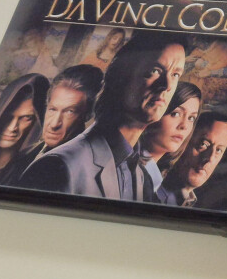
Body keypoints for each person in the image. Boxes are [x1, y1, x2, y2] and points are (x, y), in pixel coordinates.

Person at [19, 33, 188, 201]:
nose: (167, 85)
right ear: (121, 76)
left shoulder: (142, 176)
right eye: (155, 71)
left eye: (175, 75)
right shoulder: (58, 166)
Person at [23, 65, 104, 165]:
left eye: (70, 112)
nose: (54, 124)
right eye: (52, 109)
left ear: (88, 115)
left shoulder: (80, 165)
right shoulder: (27, 153)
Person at [139, 81, 202, 199]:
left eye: (191, 118)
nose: (184, 126)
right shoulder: (130, 169)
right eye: (175, 114)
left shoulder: (158, 177)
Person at [0, 73, 49, 186]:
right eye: (7, 116)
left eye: (26, 118)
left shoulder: (33, 170)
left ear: (37, 121)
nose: (12, 128)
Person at [158, 110, 227, 207]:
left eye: (219, 150)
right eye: (203, 144)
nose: (210, 158)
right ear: (185, 140)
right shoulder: (148, 189)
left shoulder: (187, 202)